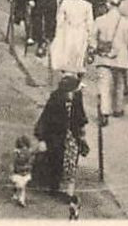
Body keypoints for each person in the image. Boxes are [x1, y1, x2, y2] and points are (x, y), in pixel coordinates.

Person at [33, 74, 89, 204]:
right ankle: (54, 187)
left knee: (71, 162)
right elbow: (45, 119)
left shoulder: (77, 98)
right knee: (55, 160)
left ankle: (69, 192)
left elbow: (80, 116)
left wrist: (81, 133)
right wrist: (42, 138)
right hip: (56, 136)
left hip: (71, 136)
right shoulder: (56, 99)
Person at [92, 0, 128, 121]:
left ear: (108, 4)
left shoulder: (99, 20)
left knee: (104, 85)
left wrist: (94, 50)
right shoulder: (126, 22)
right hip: (121, 58)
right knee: (119, 84)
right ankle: (117, 108)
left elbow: (92, 39)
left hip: (103, 57)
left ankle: (104, 111)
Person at [48, 0, 94, 83]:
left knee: (67, 50)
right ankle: (75, 75)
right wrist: (90, 36)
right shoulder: (87, 5)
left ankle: (66, 74)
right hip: (81, 31)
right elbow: (90, 22)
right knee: (78, 52)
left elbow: (59, 19)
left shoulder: (65, 3)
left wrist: (58, 32)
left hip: (67, 30)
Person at [9, 135, 35, 208]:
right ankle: (16, 194)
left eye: (25, 147)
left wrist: (28, 166)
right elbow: (13, 163)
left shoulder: (29, 153)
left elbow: (30, 162)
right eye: (22, 147)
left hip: (25, 173)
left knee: (22, 187)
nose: (24, 149)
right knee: (19, 186)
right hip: (17, 173)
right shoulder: (16, 153)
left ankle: (21, 200)